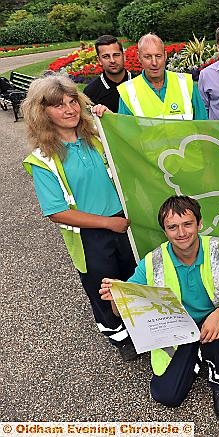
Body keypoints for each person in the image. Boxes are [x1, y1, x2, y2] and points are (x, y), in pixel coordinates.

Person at [21, 75, 138, 361]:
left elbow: (133, 144)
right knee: (103, 285)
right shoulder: (43, 159)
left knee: (133, 276)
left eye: (73, 101)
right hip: (90, 235)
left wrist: (110, 119)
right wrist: (109, 223)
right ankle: (116, 332)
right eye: (59, 105)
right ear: (42, 113)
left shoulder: (96, 136)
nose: (70, 109)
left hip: (124, 223)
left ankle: (140, 324)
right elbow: (57, 212)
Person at [100, 196, 219, 419]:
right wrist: (116, 298)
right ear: (165, 231)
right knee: (166, 396)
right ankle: (199, 353)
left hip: (216, 318)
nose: (181, 232)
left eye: (187, 224)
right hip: (177, 329)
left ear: (199, 224)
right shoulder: (152, 261)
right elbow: (120, 312)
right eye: (172, 227)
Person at [108, 33, 207, 119]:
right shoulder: (128, 92)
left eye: (158, 56)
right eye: (148, 57)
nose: (154, 62)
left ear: (165, 56)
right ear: (139, 58)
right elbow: (126, 135)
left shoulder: (187, 84)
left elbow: (203, 128)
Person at [83, 35, 132, 112]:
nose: (112, 60)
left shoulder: (140, 83)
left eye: (116, 55)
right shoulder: (91, 92)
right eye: (106, 56)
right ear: (99, 60)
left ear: (124, 56)